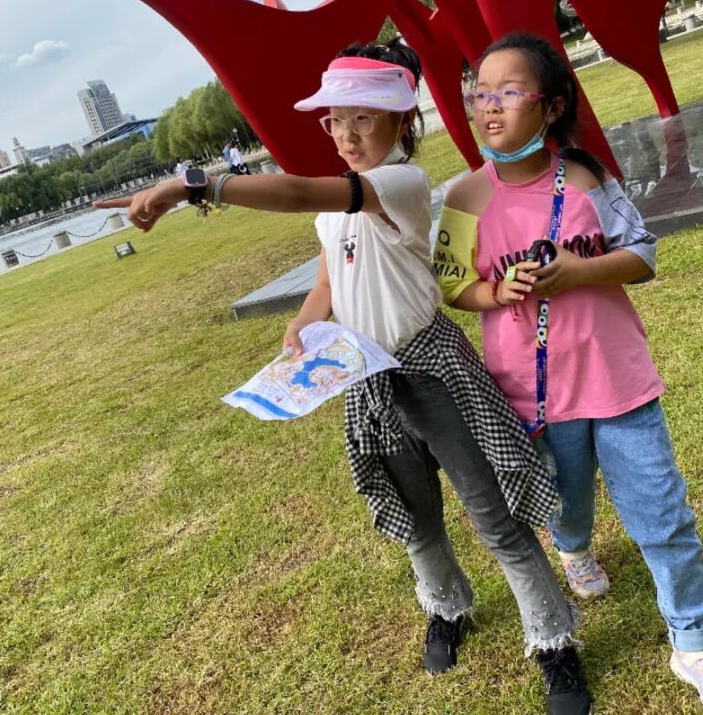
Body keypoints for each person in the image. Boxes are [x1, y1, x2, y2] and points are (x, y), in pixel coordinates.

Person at [96, 40, 592, 715]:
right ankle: (447, 607)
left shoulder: (399, 184)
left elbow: (299, 189)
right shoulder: (335, 211)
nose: (348, 134)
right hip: (366, 377)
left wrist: (194, 186)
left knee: (493, 515)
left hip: (432, 369)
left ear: (401, 122)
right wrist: (303, 324)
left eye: (364, 118)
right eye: (335, 120)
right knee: (416, 518)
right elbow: (329, 282)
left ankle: (554, 643)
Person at [436, 32, 703, 715]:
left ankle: (694, 642)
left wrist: (580, 272)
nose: (489, 107)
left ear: (551, 107)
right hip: (532, 397)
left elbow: (642, 254)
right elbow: (451, 284)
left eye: (509, 92)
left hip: (618, 381)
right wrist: (495, 291)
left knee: (662, 514)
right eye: (480, 93)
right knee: (566, 504)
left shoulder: (587, 179)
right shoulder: (462, 196)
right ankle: (575, 548)